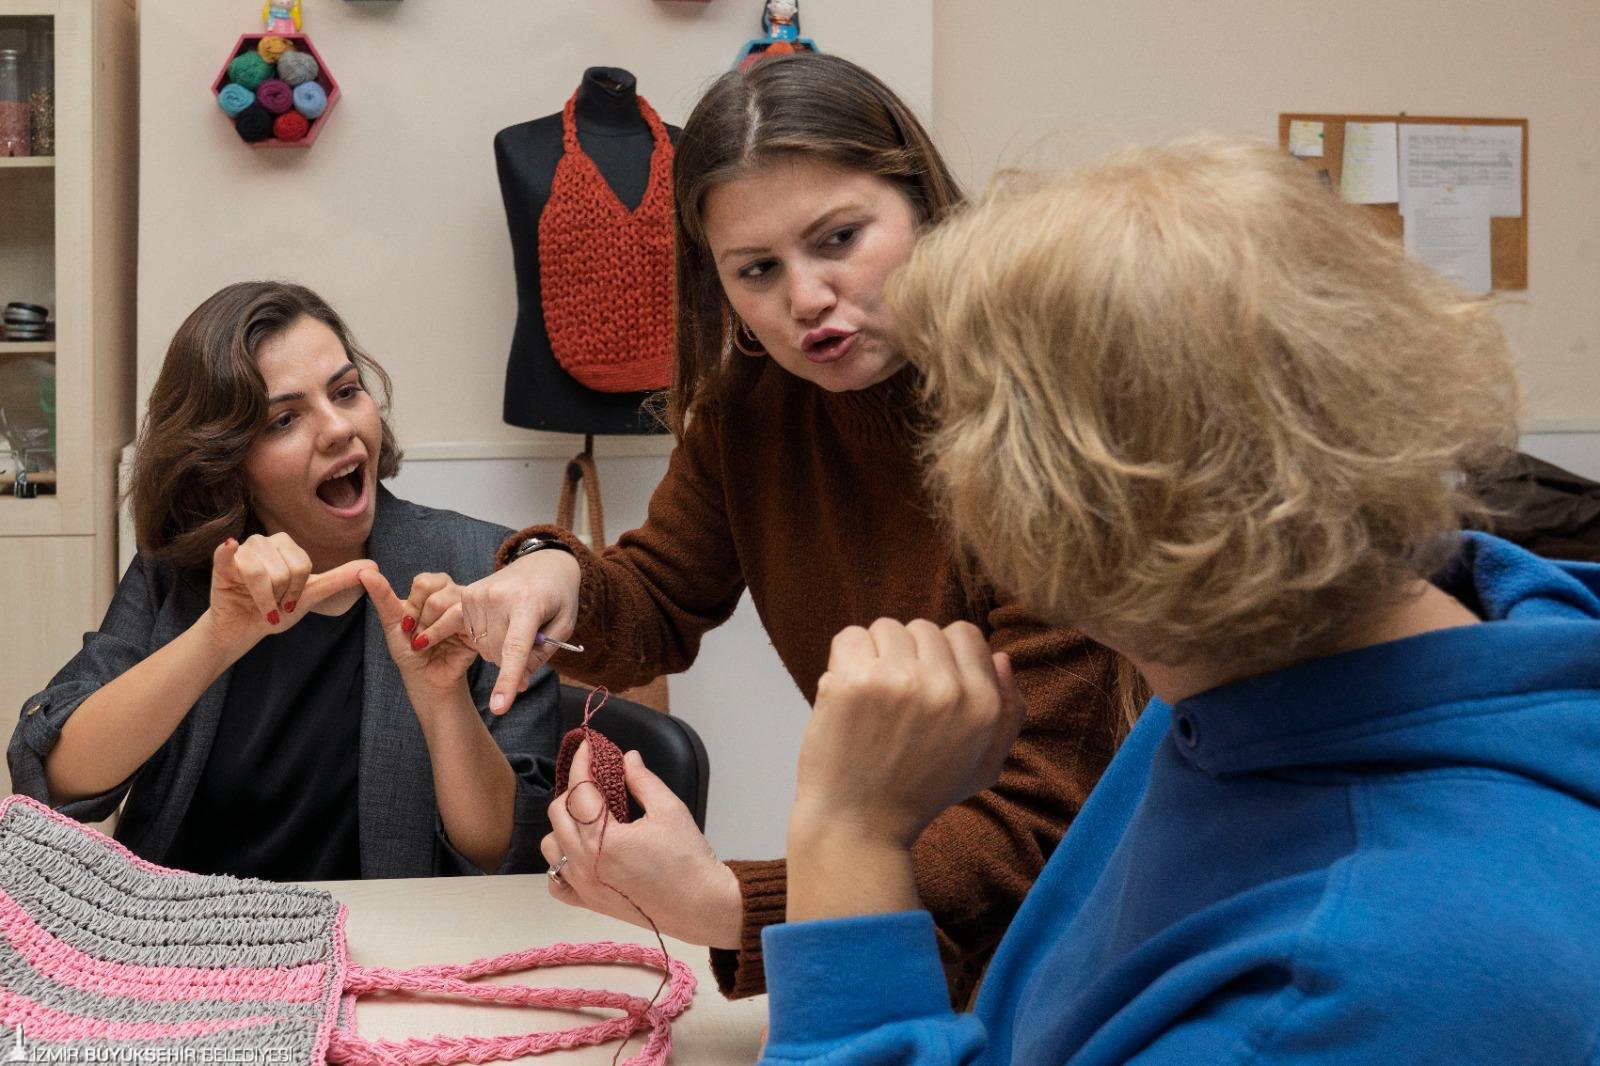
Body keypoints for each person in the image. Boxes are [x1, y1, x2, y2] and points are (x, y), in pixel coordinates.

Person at [756, 138, 1600, 1063]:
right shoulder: (1267, 664)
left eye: (957, 421)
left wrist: (851, 833)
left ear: (1079, 510)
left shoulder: (1346, 981)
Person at [461, 53, 1130, 1004]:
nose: (807, 296)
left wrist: (737, 905)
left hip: (1080, 957)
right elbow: (655, 600)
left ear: (926, 207)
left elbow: (1048, 815)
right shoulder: (752, 411)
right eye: (758, 270)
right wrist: (551, 574)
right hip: (912, 940)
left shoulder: (1048, 423)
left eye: (841, 238)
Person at [8, 282, 559, 880]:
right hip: (186, 938)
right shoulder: (184, 572)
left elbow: (508, 849)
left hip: (386, 949)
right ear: (225, 460)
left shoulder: (482, 567)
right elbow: (54, 779)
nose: (338, 429)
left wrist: (443, 700)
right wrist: (217, 637)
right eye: (284, 420)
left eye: (347, 392)